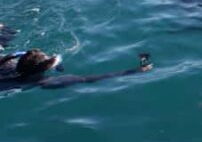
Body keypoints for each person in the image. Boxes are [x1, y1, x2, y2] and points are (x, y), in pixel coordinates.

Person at [0, 31, 152, 92]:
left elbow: (18, 54)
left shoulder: (8, 62)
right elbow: (89, 79)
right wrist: (135, 71)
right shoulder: (43, 82)